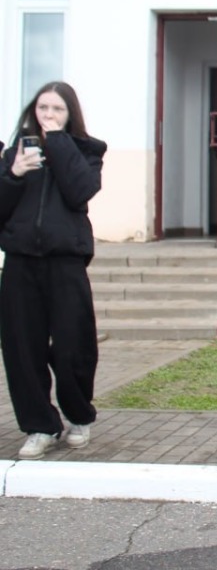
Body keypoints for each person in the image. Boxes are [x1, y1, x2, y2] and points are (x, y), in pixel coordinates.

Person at [0, 81, 106, 460]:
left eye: (57, 109)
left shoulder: (87, 151)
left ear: (69, 114)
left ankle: (78, 416)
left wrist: (58, 141)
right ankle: (40, 426)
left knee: (73, 346)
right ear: (33, 111)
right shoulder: (14, 152)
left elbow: (80, 191)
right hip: (20, 262)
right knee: (22, 348)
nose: (48, 115)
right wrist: (13, 173)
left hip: (66, 263)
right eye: (43, 108)